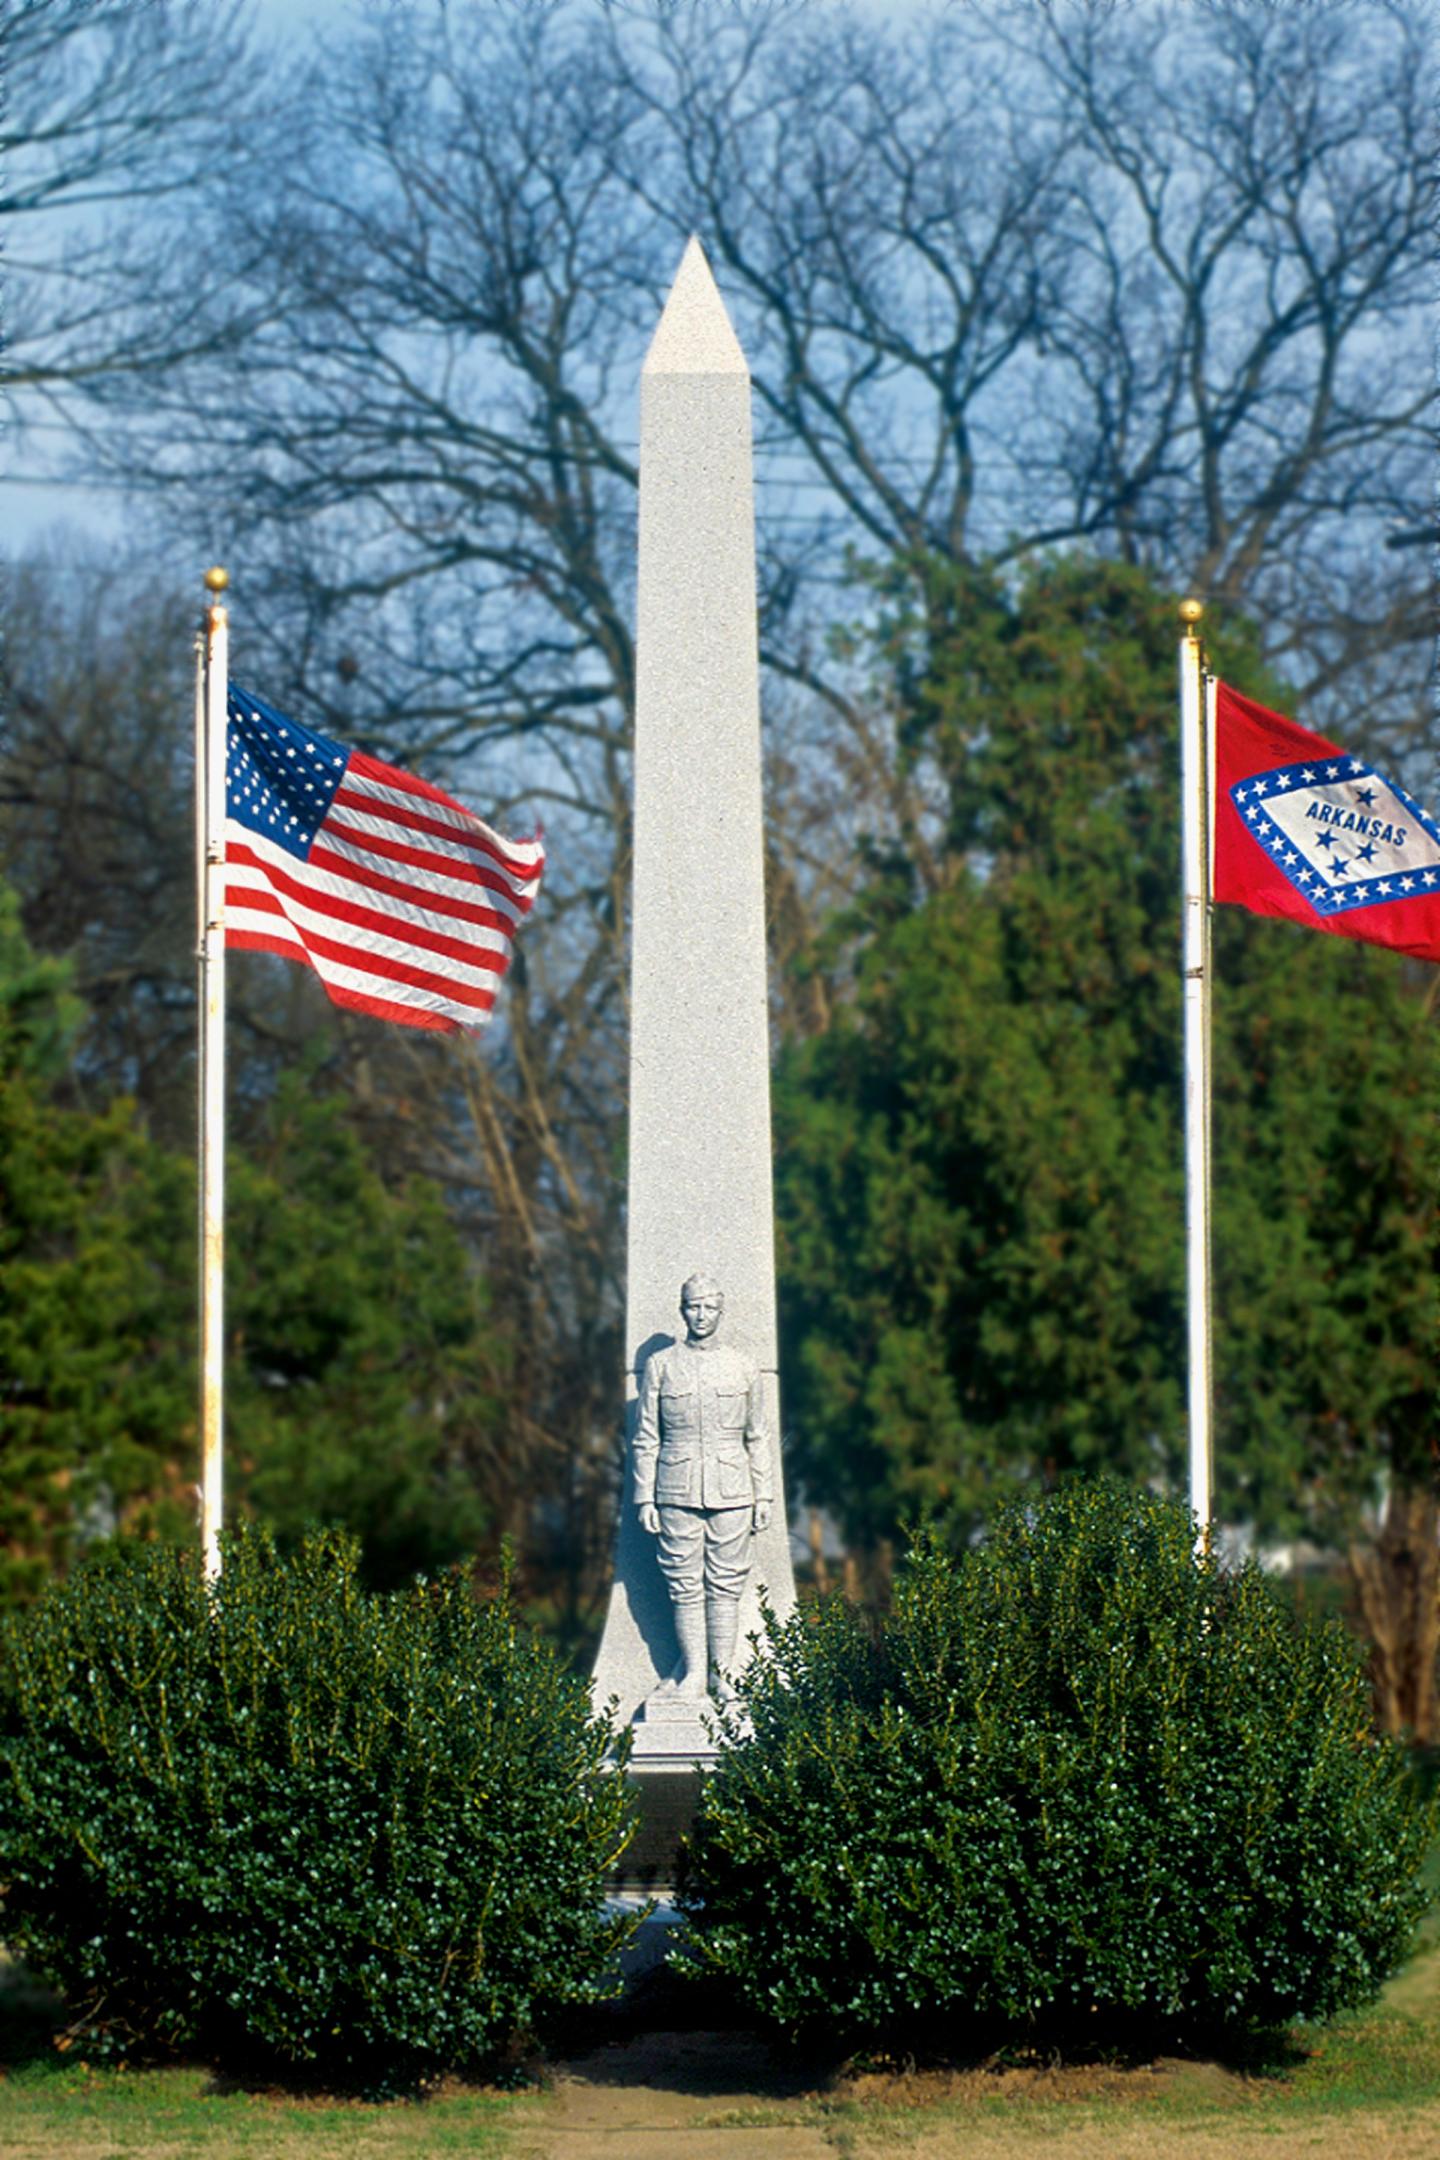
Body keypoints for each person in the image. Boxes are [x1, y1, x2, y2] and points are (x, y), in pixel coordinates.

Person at [633, 1272, 772, 1700]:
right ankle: (693, 1672)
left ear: (721, 1312)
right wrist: (645, 1496)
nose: (701, 1315)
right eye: (694, 1306)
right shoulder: (661, 1366)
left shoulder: (743, 1366)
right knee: (684, 1583)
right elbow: (647, 1436)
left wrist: (763, 1493)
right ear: (682, 1310)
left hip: (733, 1490)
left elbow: (757, 1436)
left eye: (710, 1307)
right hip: (676, 1489)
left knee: (726, 1583)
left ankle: (721, 1675)